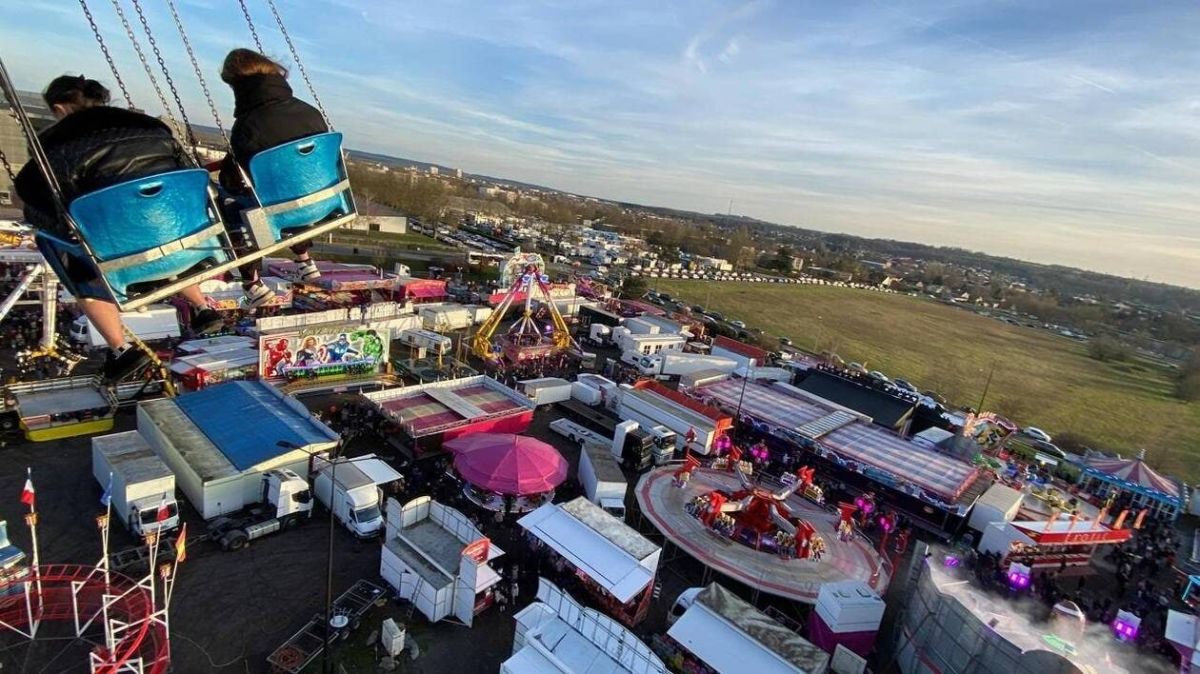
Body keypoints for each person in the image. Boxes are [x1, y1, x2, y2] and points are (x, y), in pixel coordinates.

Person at [13, 75, 224, 382]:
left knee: (76, 263)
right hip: (184, 242)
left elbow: (36, 201)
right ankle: (202, 308)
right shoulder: (153, 127)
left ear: (59, 108)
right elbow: (191, 177)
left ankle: (120, 348)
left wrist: (51, 226)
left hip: (119, 257)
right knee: (159, 231)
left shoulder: (52, 144)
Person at [217, 48, 326, 307]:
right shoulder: (309, 111)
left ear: (239, 86)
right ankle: (304, 259)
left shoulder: (249, 123)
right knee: (290, 188)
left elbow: (233, 180)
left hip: (281, 209)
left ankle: (251, 281)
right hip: (321, 201)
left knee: (227, 205)